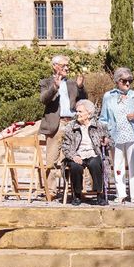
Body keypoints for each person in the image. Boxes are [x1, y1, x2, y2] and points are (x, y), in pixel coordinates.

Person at [39, 55, 87, 198]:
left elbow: (83, 100)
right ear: (55, 66)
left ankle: (77, 190)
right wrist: (55, 87)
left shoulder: (72, 84)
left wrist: (80, 87)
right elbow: (44, 99)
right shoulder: (46, 82)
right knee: (52, 160)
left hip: (72, 123)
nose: (67, 68)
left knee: (76, 157)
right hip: (56, 124)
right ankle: (51, 191)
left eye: (68, 65)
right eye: (64, 65)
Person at [100, 67, 134, 203]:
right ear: (117, 81)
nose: (127, 83)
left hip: (133, 134)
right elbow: (103, 118)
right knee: (118, 165)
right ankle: (120, 194)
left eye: (130, 81)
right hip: (116, 135)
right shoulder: (108, 96)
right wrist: (103, 133)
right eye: (124, 81)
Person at [61, 100, 110, 206]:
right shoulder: (71, 127)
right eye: (77, 111)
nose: (77, 114)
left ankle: (99, 194)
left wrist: (106, 142)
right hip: (77, 155)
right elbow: (65, 146)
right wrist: (73, 156)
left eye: (80, 111)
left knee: (95, 163)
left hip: (94, 154)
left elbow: (110, 141)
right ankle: (77, 195)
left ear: (89, 113)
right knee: (75, 166)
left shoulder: (99, 126)